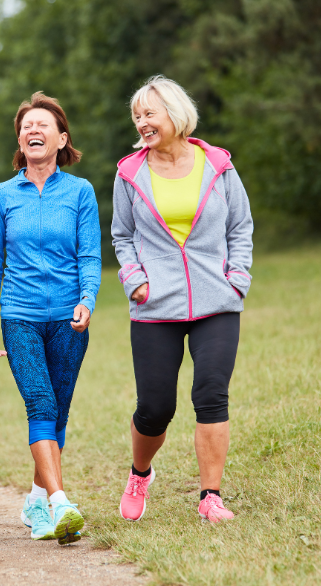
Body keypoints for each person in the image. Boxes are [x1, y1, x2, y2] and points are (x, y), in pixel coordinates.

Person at [111, 75, 253, 524]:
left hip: (217, 299)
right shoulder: (129, 173)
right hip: (155, 304)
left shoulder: (218, 165)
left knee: (211, 394)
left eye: (149, 113)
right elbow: (122, 234)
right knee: (156, 408)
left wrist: (237, 279)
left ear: (175, 113)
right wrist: (135, 280)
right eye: (137, 116)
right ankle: (140, 473)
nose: (142, 122)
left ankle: (210, 496)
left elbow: (240, 227)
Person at [0, 92, 101, 544]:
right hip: (20, 316)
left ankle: (35, 498)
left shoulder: (80, 192)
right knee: (41, 404)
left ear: (61, 138)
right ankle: (61, 502)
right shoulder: (1, 195)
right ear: (19, 138)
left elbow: (90, 254)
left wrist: (88, 298)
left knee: (58, 412)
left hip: (70, 318)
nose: (33, 130)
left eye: (43, 125)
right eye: (26, 125)